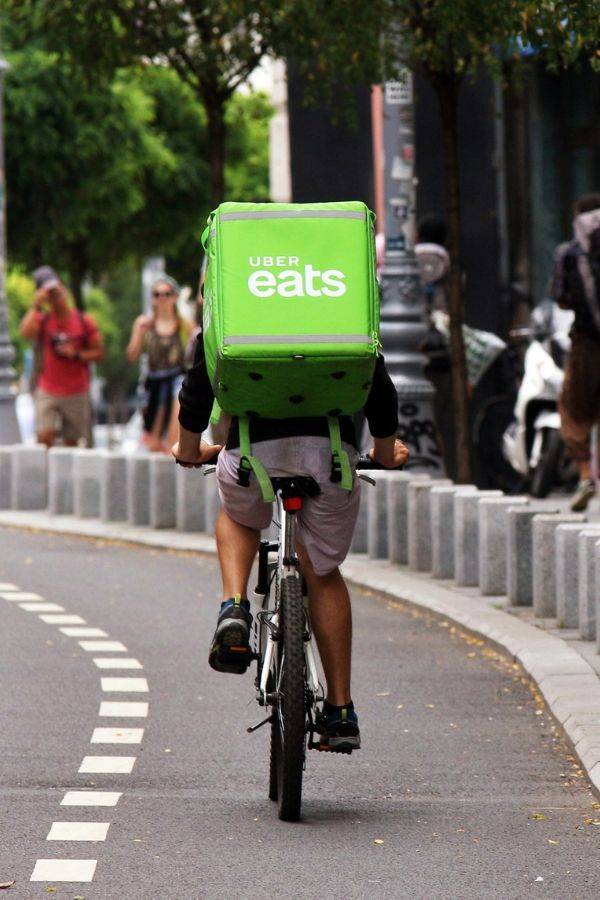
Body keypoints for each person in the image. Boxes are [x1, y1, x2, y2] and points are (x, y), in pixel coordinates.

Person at [172, 337, 408, 751]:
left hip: (252, 451)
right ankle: (339, 710)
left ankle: (235, 606)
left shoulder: (237, 301)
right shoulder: (337, 300)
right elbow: (378, 386)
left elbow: (198, 385)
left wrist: (190, 449)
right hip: (330, 454)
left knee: (238, 516)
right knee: (323, 571)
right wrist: (385, 453)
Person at [20, 266, 104, 447]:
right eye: (50, 293)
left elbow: (99, 353)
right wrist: (36, 305)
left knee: (72, 443)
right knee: (44, 436)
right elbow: (25, 333)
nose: (55, 296)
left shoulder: (83, 321)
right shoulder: (43, 320)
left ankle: (64, 474)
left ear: (64, 290)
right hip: (48, 388)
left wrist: (76, 354)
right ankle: (46, 473)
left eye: (56, 290)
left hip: (76, 390)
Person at [552, 192, 600, 511]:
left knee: (574, 408)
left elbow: (560, 297)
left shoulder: (568, 253)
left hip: (586, 344)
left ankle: (585, 474)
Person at [126, 276, 192, 453]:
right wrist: (140, 334)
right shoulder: (145, 323)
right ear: (152, 298)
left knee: (175, 426)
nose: (162, 298)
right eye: (157, 294)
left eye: (167, 294)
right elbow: (131, 356)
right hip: (154, 382)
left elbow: (197, 352)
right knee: (153, 440)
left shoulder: (184, 324)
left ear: (174, 297)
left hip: (177, 379)